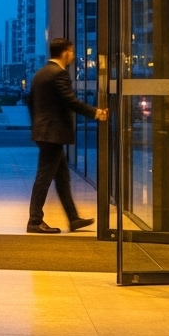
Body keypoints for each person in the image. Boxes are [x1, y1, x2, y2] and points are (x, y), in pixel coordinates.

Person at [26, 37, 106, 234]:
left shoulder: (40, 74)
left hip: (44, 132)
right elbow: (70, 101)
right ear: (64, 52)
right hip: (53, 133)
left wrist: (38, 124)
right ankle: (35, 221)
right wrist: (96, 112)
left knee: (62, 178)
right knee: (44, 178)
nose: (73, 55)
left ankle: (73, 218)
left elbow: (30, 103)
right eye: (71, 51)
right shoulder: (59, 74)